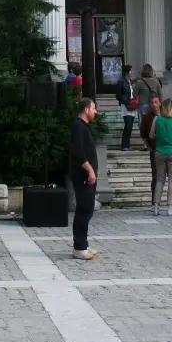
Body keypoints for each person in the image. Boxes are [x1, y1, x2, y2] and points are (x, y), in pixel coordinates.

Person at [69, 96, 99, 260]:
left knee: (87, 209)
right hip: (83, 176)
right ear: (86, 109)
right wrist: (90, 170)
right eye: (93, 108)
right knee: (83, 209)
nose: (96, 112)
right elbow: (78, 152)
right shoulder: (78, 127)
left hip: (88, 176)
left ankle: (84, 244)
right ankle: (79, 247)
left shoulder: (84, 127)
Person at [140, 91, 172, 212]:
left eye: (156, 102)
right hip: (157, 150)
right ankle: (156, 204)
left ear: (160, 103)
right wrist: (150, 148)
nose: (154, 105)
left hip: (167, 150)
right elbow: (145, 135)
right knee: (157, 177)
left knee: (171, 178)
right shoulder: (147, 117)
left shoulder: (167, 115)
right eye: (151, 102)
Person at [116, 64, 137, 150]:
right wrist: (125, 102)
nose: (132, 72)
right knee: (128, 125)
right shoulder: (121, 81)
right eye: (131, 70)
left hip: (132, 105)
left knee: (130, 125)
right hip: (126, 106)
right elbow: (118, 94)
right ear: (127, 71)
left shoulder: (130, 81)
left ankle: (127, 145)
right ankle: (124, 145)